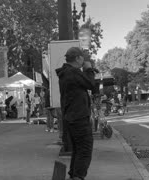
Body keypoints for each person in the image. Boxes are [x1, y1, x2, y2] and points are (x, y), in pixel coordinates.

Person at [56, 47, 96, 180]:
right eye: (83, 58)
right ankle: (78, 176)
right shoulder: (73, 72)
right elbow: (91, 84)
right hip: (78, 117)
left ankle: (74, 176)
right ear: (78, 58)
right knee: (85, 149)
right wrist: (89, 69)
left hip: (72, 117)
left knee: (79, 149)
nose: (84, 60)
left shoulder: (67, 72)